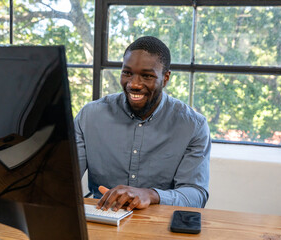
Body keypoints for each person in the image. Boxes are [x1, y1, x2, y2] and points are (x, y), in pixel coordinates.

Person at [74, 36, 211, 211]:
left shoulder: (193, 126)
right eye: (127, 73)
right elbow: (62, 180)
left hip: (159, 226)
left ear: (166, 78)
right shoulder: (89, 116)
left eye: (147, 76)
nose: (134, 84)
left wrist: (150, 195)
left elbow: (196, 195)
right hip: (102, 218)